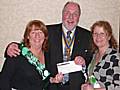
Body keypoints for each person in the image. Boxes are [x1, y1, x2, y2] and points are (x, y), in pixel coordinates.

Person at [5, 1, 92, 90]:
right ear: (62, 14)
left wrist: (84, 62)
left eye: (75, 14)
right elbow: (32, 42)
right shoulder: (48, 31)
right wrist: (12, 46)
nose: (71, 17)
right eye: (67, 13)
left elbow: (93, 58)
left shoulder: (88, 36)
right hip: (52, 86)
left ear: (79, 17)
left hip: (76, 87)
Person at [0, 20, 63, 90]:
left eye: (40, 32)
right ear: (27, 36)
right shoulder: (16, 52)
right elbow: (4, 80)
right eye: (33, 32)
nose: (37, 36)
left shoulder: (47, 54)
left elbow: (43, 80)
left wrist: (53, 80)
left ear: (45, 37)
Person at [81, 21, 120, 90]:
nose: (98, 37)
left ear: (109, 36)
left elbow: (117, 86)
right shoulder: (95, 54)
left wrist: (94, 89)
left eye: (102, 33)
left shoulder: (115, 57)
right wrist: (86, 85)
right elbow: (93, 79)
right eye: (95, 33)